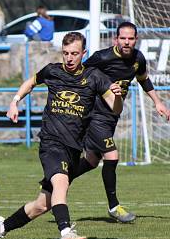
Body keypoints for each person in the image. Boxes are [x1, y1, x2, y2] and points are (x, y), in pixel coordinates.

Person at [0, 32, 123, 239]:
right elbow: (31, 82)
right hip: (51, 142)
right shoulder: (52, 71)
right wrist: (15, 101)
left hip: (74, 149)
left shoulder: (95, 76)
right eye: (65, 53)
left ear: (83, 53)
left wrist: (118, 95)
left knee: (41, 205)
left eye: (74, 53)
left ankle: (1, 227)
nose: (69, 58)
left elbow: (115, 107)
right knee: (61, 183)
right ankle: (65, 232)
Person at [58, 22, 170, 222]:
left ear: (136, 40)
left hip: (111, 117)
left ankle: (57, 180)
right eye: (123, 38)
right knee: (112, 155)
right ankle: (114, 206)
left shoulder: (138, 59)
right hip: (93, 116)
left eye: (130, 38)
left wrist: (158, 102)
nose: (126, 42)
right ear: (115, 39)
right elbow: (78, 73)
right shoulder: (102, 57)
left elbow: (144, 80)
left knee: (92, 161)